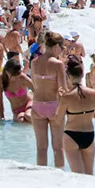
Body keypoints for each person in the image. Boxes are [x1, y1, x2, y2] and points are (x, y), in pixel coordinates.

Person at [56, 56, 95, 174]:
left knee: (77, 175)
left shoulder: (67, 97)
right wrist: (87, 113)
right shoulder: (94, 93)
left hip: (72, 135)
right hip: (89, 134)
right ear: (82, 75)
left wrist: (60, 99)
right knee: (89, 174)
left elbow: (58, 120)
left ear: (68, 76)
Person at [30, 32, 68, 168]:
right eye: (62, 48)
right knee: (58, 148)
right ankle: (60, 178)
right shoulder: (58, 64)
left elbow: (35, 85)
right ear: (57, 46)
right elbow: (63, 88)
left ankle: (42, 177)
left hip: (37, 105)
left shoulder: (34, 62)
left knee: (41, 148)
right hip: (54, 106)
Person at [0, 58, 33, 122]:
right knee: (21, 121)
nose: (18, 77)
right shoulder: (0, 79)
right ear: (7, 72)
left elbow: (38, 91)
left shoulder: (22, 77)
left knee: (28, 116)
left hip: (29, 104)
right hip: (16, 110)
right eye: (15, 75)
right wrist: (1, 117)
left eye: (19, 74)